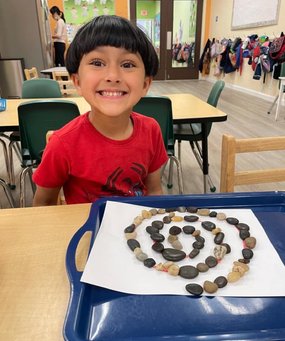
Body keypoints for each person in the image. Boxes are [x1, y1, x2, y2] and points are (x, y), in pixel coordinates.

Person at [32, 15, 168, 206]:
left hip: (136, 229)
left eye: (127, 65)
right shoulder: (62, 144)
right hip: (87, 232)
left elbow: (154, 191)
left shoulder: (151, 130)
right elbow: (43, 205)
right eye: (97, 63)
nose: (113, 76)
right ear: (77, 81)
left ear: (145, 84)